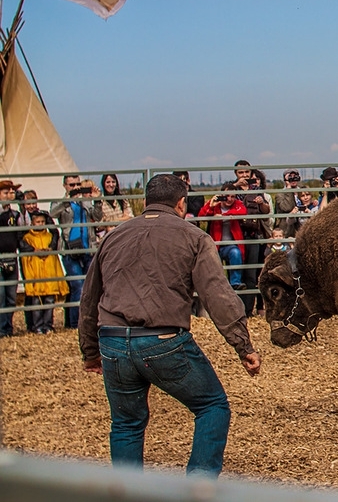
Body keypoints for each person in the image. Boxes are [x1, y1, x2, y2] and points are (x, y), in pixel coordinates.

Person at [78, 173, 261, 477]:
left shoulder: (114, 236)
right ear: (180, 203)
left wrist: (90, 350)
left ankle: (126, 493)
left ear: (145, 201)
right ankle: (198, 487)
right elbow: (217, 295)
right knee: (212, 406)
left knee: (126, 423)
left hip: (112, 340)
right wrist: (243, 345)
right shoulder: (194, 237)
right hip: (162, 339)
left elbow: (90, 297)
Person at [51, 175, 103, 329]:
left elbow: (97, 217)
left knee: (89, 288)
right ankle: (75, 324)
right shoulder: (60, 202)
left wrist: (97, 200)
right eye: (71, 185)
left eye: (77, 185)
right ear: (65, 186)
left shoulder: (85, 202)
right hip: (70, 250)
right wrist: (68, 199)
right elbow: (53, 214)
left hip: (88, 249)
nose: (75, 188)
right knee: (78, 286)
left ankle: (89, 322)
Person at [19, 210, 68, 334]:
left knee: (49, 301)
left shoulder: (50, 237)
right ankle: (38, 326)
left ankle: (48, 325)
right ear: (32, 223)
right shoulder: (28, 238)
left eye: (43, 221)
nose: (41, 224)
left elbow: (54, 257)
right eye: (38, 222)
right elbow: (26, 260)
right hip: (36, 274)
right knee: (36, 302)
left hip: (49, 273)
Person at [232, 161, 271, 316]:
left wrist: (262, 204)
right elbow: (222, 201)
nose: (244, 176)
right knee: (235, 273)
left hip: (253, 235)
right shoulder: (231, 188)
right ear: (236, 174)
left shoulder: (256, 189)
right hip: (236, 236)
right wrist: (235, 186)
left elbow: (266, 211)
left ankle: (247, 310)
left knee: (251, 273)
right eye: (241, 173)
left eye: (246, 172)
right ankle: (235, 309)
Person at [198, 182, 247, 290]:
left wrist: (222, 216)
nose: (229, 199)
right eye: (227, 196)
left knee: (236, 253)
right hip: (215, 244)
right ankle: (217, 286)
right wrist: (211, 207)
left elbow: (243, 212)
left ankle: (235, 283)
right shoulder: (215, 205)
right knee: (214, 265)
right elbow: (201, 216)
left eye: (233, 196)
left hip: (231, 244)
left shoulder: (237, 204)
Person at [0, 179, 21, 338]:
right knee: (0, 296)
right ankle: (2, 329)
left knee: (11, 296)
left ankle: (8, 327)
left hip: (12, 256)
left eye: (10, 192)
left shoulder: (15, 214)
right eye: (6, 192)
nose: (9, 195)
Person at [96, 174, 133, 240]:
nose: (111, 185)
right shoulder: (100, 201)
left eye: (113, 182)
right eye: (108, 182)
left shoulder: (122, 199)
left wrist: (113, 222)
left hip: (122, 235)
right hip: (106, 238)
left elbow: (130, 217)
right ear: (103, 183)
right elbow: (99, 223)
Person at [275, 168, 301, 238]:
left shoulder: (302, 192)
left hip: (300, 228)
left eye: (295, 176)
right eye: (290, 177)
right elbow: (287, 207)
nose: (293, 179)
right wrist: (289, 189)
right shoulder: (280, 194)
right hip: (286, 229)